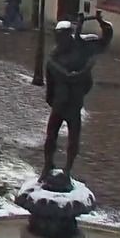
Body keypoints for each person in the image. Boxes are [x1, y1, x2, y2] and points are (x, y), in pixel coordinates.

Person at [41, 11, 113, 180]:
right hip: (59, 103)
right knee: (51, 135)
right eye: (57, 38)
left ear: (68, 36)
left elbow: (105, 40)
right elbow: (51, 80)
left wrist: (101, 22)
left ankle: (67, 170)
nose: (59, 42)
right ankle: (47, 166)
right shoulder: (54, 56)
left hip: (73, 104)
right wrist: (52, 98)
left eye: (61, 38)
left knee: (73, 139)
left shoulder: (82, 49)